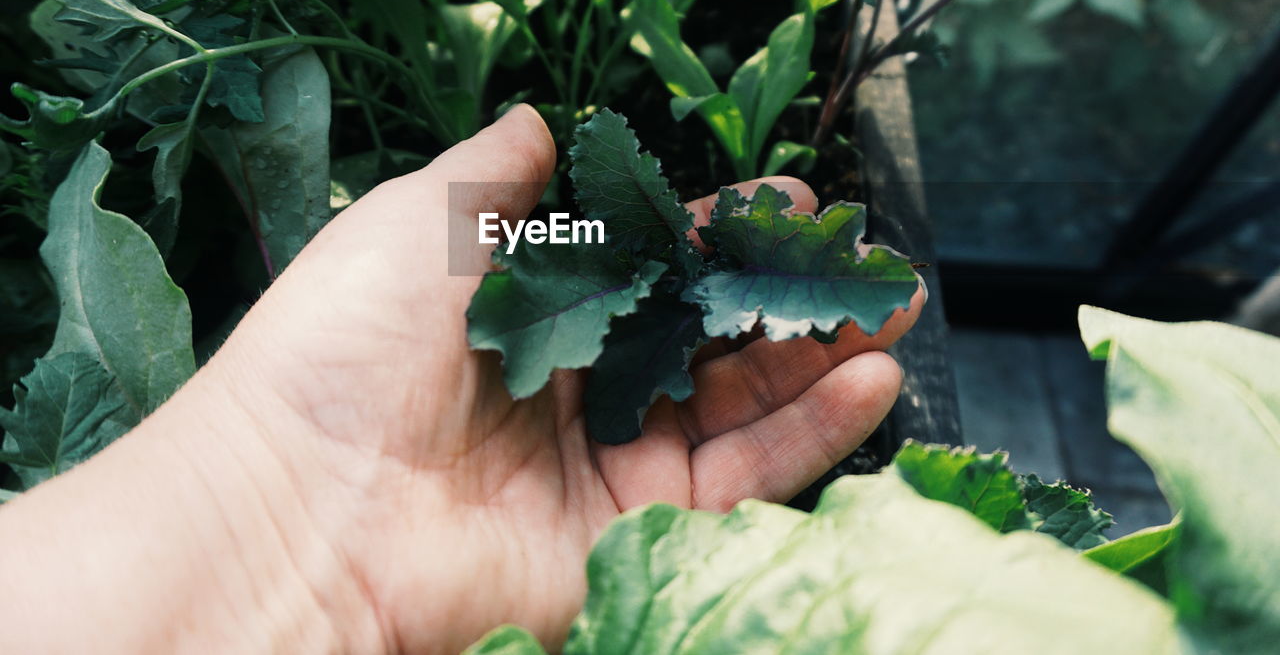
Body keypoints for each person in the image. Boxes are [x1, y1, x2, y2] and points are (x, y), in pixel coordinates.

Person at [0, 106, 922, 653]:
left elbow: (506, 238)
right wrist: (562, 248)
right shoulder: (563, 256)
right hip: (583, 372)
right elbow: (507, 246)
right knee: (604, 255)